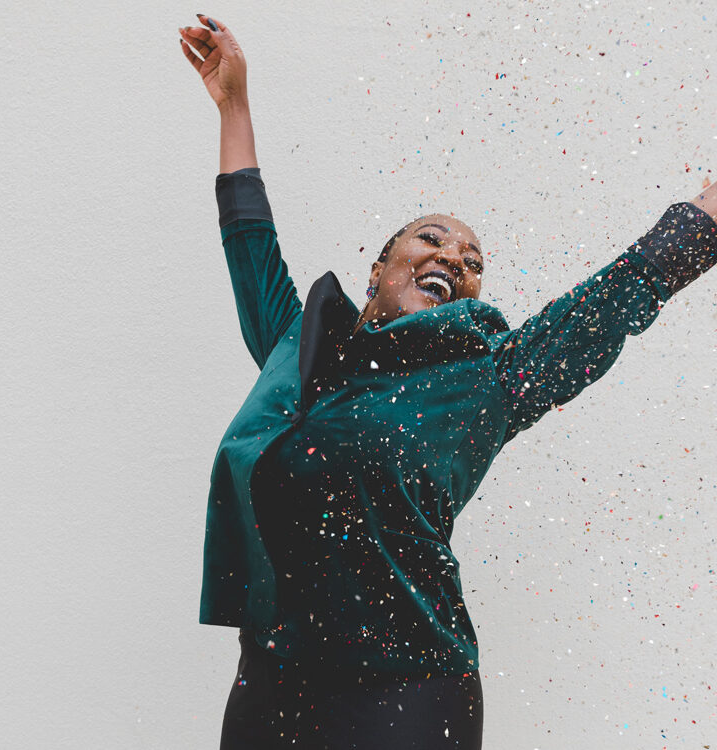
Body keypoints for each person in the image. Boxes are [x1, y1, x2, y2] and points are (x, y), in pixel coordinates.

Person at [179, 15, 717, 750]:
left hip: (408, 693)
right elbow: (250, 238)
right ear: (381, 267)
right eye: (431, 238)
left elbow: (603, 308)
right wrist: (233, 105)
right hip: (272, 684)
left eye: (472, 259)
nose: (453, 257)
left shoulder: (485, 380)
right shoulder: (295, 349)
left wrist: (709, 213)